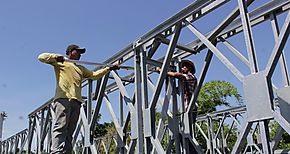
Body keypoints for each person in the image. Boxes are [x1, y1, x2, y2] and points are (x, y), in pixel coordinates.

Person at [38, 44, 119, 154]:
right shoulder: (61, 62)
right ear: (70, 52)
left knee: (69, 131)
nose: (80, 54)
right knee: (60, 127)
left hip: (76, 102)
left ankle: (66, 152)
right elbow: (41, 57)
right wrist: (56, 57)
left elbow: (94, 75)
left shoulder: (80, 68)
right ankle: (56, 152)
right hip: (63, 99)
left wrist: (108, 68)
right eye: (78, 52)